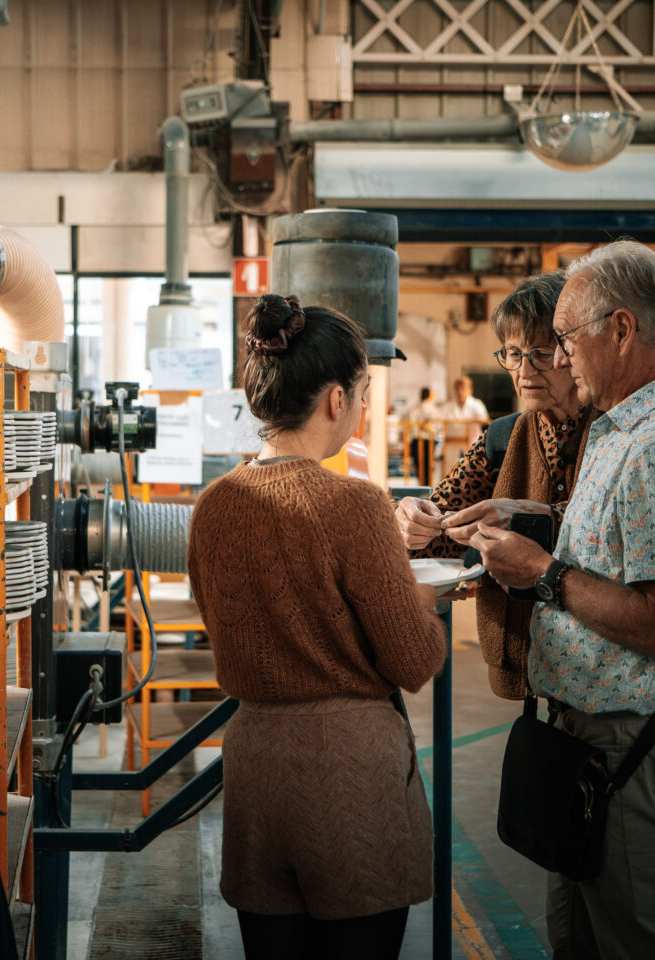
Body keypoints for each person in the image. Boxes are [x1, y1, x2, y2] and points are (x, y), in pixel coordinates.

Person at [471, 241, 655, 960]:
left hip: (632, 737)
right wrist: (528, 517)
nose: (558, 357)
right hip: (595, 733)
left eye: (565, 338)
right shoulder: (626, 429)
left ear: (620, 330)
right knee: (582, 937)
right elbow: (620, 548)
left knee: (636, 941)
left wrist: (542, 574)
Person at [186, 293, 446, 960]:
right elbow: (414, 660)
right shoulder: (356, 504)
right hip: (346, 771)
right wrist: (423, 603)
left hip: (253, 762)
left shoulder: (214, 505)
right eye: (360, 393)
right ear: (336, 399)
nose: (358, 408)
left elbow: (225, 619)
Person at [395, 271, 596, 698]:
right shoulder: (503, 437)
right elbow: (441, 525)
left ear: (573, 352)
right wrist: (416, 519)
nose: (523, 370)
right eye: (512, 353)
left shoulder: (613, 434)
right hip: (527, 653)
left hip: (603, 659)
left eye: (541, 353)